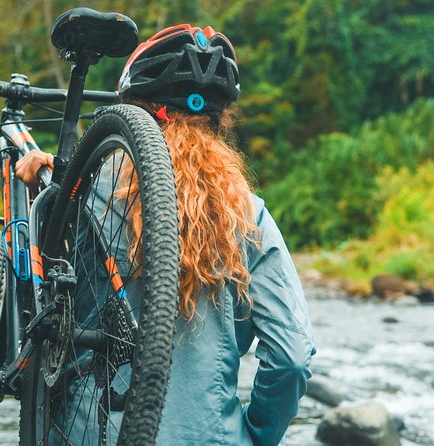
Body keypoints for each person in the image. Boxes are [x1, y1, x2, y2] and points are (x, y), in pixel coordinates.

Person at [16, 23, 315, 446]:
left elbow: (45, 303)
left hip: (90, 432)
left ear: (134, 109)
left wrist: (48, 190)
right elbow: (292, 359)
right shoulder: (249, 214)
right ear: (219, 122)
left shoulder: (89, 188)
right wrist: (255, 436)